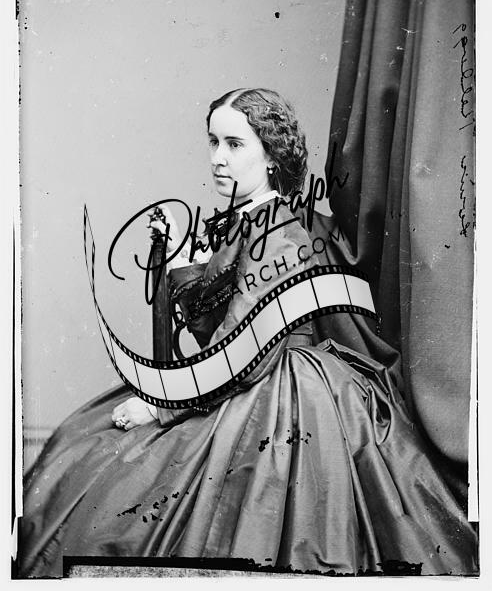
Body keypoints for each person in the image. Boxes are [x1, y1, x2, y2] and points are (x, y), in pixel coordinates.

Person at [19, 88, 478, 578]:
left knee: (108, 480)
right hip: (244, 374)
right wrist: (181, 261)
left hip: (272, 386)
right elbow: (216, 332)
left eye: (235, 145)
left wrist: (160, 406)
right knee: (82, 448)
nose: (218, 158)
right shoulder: (246, 223)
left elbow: (241, 352)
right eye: (213, 142)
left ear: (272, 156)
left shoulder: (276, 231)